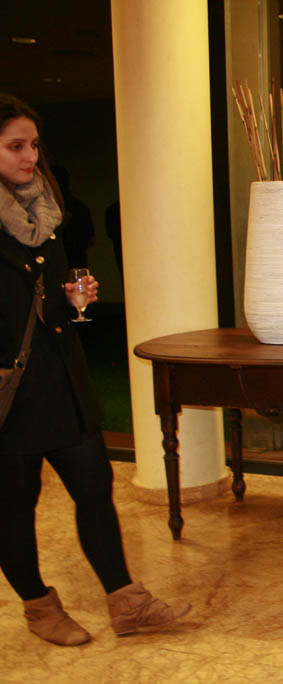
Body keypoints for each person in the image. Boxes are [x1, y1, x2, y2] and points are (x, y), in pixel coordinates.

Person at [0, 94, 189, 646]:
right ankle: (39, 608)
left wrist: (72, 296)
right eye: (15, 146)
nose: (30, 156)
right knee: (15, 507)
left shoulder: (47, 212)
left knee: (95, 486)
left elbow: (48, 298)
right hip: (11, 394)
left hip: (62, 381)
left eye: (34, 145)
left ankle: (128, 603)